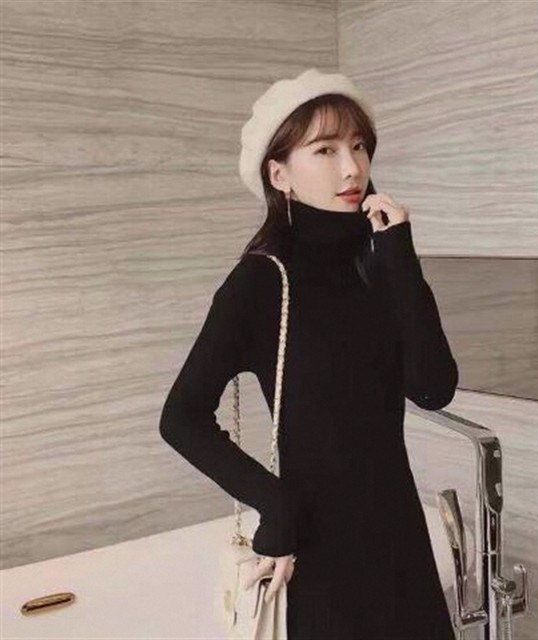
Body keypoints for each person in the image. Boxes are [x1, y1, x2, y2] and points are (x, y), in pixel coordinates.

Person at [159, 68, 458, 639]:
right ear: (280, 174)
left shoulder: (378, 267)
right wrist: (276, 506)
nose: (352, 168)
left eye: (358, 146)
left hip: (400, 544)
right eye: (325, 150)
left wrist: (400, 256)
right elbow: (181, 418)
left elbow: (433, 387)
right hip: (319, 555)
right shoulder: (262, 282)